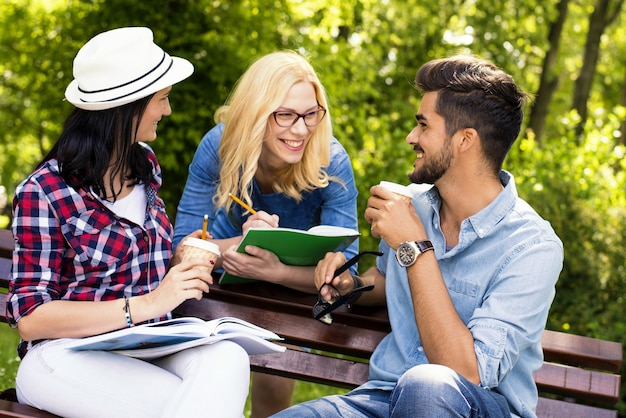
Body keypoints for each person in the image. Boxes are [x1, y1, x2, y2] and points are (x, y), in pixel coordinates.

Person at [272, 55, 564, 418]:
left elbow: (465, 372)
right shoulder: (414, 208)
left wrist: (414, 246)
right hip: (382, 398)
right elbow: (387, 280)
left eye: (423, 125)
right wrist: (352, 285)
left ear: (464, 140)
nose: (412, 137)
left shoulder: (532, 247)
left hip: (471, 407)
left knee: (427, 386)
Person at [6, 27, 250, 418]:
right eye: (162, 99)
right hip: (64, 357)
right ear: (128, 106)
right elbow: (32, 318)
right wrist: (152, 302)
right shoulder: (45, 191)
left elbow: (144, 262)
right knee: (194, 404)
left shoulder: (146, 166)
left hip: (147, 346)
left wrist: (189, 259)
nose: (167, 110)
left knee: (228, 357)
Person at [173, 51, 359, 418]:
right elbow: (181, 249)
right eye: (286, 115)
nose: (301, 129)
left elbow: (346, 275)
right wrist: (239, 246)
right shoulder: (220, 146)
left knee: (275, 382)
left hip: (294, 293)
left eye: (310, 114)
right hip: (218, 287)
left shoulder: (331, 161)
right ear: (256, 113)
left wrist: (276, 270)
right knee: (208, 377)